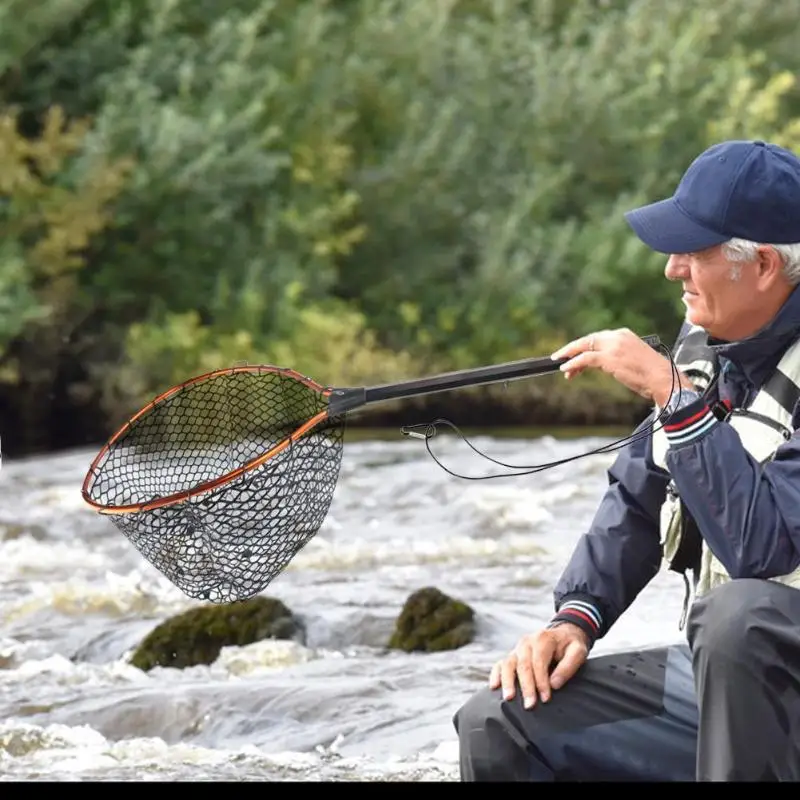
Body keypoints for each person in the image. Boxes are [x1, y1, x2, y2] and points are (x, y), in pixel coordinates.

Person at [453, 139, 800, 781]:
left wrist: (671, 393)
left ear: (762, 268)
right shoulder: (709, 345)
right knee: (499, 721)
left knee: (734, 619)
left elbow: (763, 544)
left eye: (692, 251)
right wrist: (576, 618)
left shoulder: (684, 379)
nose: (671, 269)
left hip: (768, 679)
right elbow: (639, 503)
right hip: (730, 690)